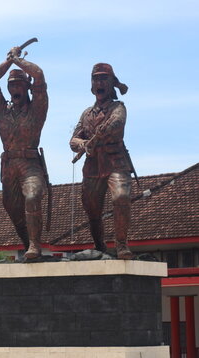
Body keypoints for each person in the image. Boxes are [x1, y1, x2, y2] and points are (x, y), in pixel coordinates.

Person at [0, 46, 49, 259]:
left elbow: (38, 75)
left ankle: (34, 245)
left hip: (30, 163)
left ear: (27, 87)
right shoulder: (1, 110)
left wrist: (18, 61)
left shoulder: (36, 108)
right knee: (12, 209)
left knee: (32, 196)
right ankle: (28, 244)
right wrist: (8, 62)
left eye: (19, 84)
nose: (15, 89)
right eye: (11, 85)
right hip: (9, 166)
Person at [70, 63, 134, 260]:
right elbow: (73, 140)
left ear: (111, 84)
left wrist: (100, 135)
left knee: (121, 197)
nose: (99, 83)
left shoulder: (118, 108)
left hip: (116, 162)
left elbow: (116, 124)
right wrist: (83, 144)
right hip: (92, 165)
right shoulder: (86, 114)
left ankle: (121, 245)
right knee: (91, 207)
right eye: (95, 79)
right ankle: (100, 244)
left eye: (103, 79)